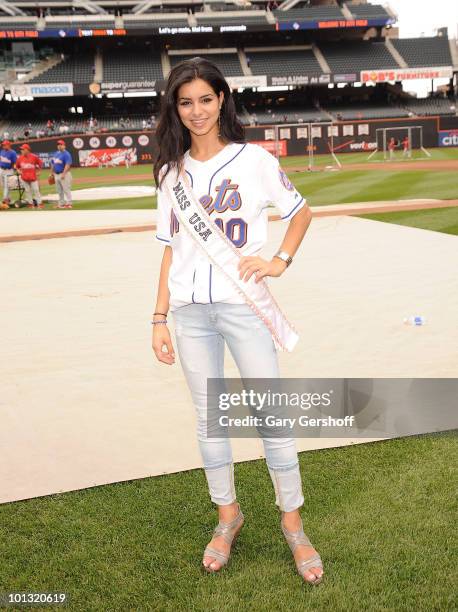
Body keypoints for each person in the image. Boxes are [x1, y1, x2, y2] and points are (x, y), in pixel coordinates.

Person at [151, 57, 323, 585]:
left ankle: (293, 525)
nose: (197, 111)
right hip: (189, 312)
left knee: (272, 417)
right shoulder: (169, 172)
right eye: (186, 102)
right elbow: (168, 250)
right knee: (210, 421)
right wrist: (158, 317)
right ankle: (229, 516)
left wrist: (279, 261)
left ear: (221, 99)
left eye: (206, 99)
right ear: (175, 110)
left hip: (244, 306)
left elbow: (300, 212)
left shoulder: (254, 160)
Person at [16, 143, 43, 208]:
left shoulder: (34, 157)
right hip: (24, 178)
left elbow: (40, 163)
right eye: (21, 149)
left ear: (27, 150)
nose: (21, 150)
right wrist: (18, 171)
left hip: (33, 177)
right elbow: (17, 166)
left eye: (23, 149)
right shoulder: (20, 158)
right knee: (27, 191)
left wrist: (39, 171)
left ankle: (39, 203)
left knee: (36, 190)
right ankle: (30, 204)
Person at [50, 139, 73, 209]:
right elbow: (53, 164)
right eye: (58, 145)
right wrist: (51, 173)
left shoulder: (66, 154)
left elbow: (68, 164)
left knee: (66, 189)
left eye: (60, 144)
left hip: (64, 174)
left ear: (64, 146)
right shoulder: (56, 154)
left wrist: (64, 173)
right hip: (56, 174)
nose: (59, 146)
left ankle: (69, 203)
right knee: (59, 190)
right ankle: (61, 203)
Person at [0, 140, 18, 207]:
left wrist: (16, 169)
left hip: (9, 170)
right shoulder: (2, 151)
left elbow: (15, 162)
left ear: (8, 145)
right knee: (3, 185)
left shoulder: (13, 153)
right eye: (3, 145)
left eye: (5, 145)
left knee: (7, 185)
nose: (3, 146)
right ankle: (8, 199)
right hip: (1, 169)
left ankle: (5, 200)